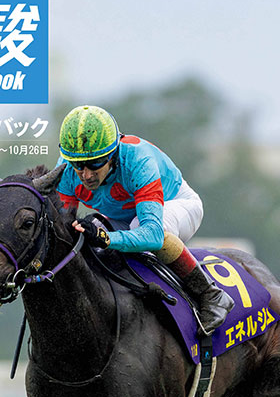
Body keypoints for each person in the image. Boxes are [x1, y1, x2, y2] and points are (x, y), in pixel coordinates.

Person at [56, 105, 234, 334]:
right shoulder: (66, 169)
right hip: (124, 218)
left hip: (175, 205)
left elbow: (153, 234)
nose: (87, 174)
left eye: (96, 163)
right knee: (89, 233)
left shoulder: (137, 160)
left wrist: (107, 238)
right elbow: (64, 230)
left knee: (136, 228)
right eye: (78, 165)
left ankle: (211, 294)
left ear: (112, 153)